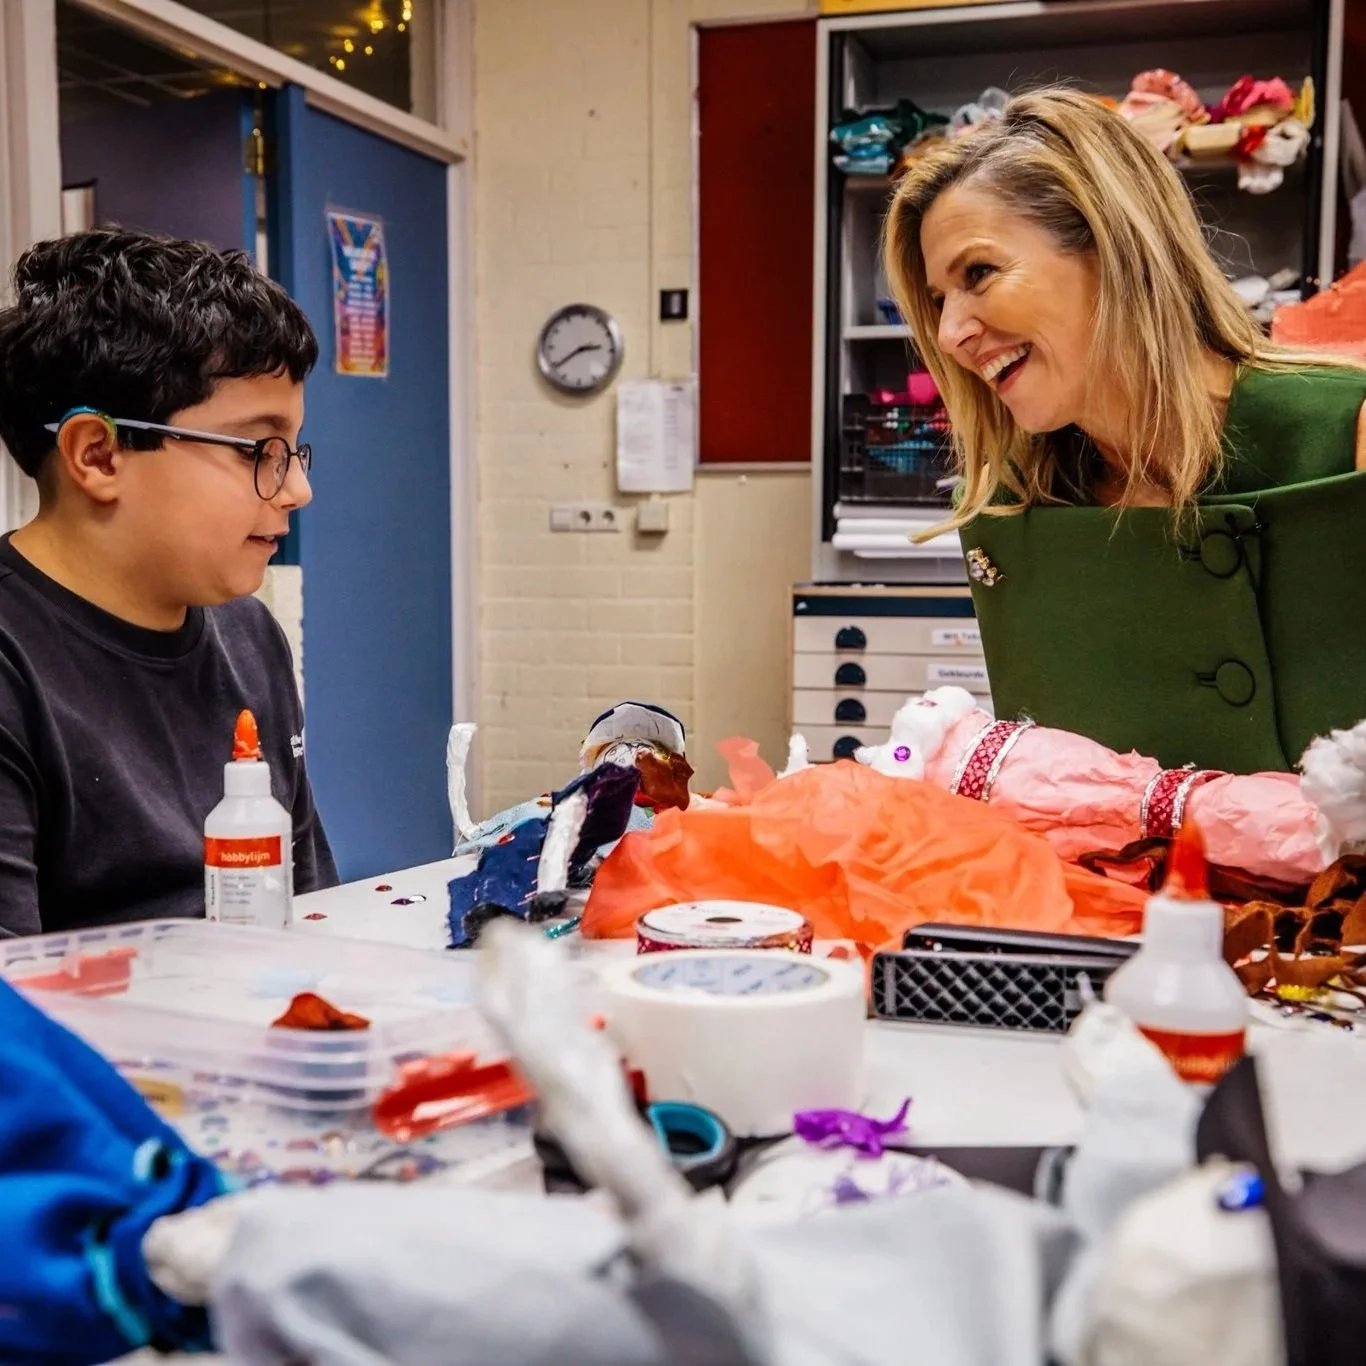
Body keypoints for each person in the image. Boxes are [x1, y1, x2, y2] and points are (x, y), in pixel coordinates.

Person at [883, 87, 1366, 777]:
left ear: (1112, 245)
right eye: (937, 302)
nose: (950, 335)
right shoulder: (1021, 505)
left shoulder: (1346, 432)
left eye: (980, 273)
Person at [0, 228, 338, 936]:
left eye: (293, 449)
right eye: (258, 448)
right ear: (97, 454)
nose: (297, 488)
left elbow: (311, 917)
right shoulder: (14, 666)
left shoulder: (250, 635)